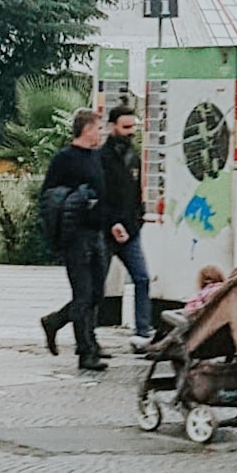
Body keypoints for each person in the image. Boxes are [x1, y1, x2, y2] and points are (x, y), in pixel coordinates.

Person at [39, 109, 111, 371]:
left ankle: (55, 321)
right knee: (83, 294)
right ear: (87, 129)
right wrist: (76, 200)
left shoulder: (96, 157)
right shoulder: (65, 159)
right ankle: (85, 351)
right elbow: (49, 196)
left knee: (96, 293)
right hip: (76, 234)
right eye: (98, 128)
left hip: (97, 232)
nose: (101, 133)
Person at [100, 105, 154, 351]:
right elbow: (101, 195)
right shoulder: (102, 158)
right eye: (126, 127)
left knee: (142, 277)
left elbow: (135, 192)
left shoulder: (132, 156)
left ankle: (143, 330)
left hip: (130, 230)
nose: (131, 132)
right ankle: (77, 331)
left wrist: (137, 219)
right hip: (106, 231)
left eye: (133, 126)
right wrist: (112, 223)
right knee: (95, 286)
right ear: (112, 127)